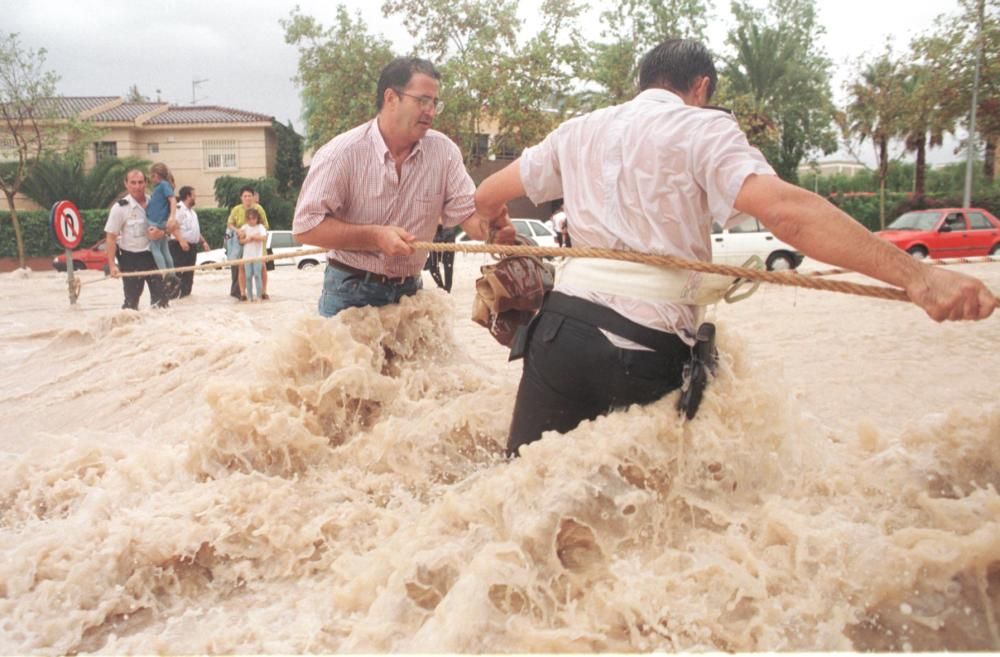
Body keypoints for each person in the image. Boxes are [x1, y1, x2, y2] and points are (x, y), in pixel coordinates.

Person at [474, 38, 997, 458]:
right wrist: (917, 276)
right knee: (640, 526)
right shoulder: (703, 127)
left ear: (643, 83)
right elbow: (786, 214)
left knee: (522, 494)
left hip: (559, 337)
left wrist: (500, 228)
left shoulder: (578, 130)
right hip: (642, 349)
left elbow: (486, 195)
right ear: (700, 87)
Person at [292, 56, 513, 317]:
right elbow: (305, 228)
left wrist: (492, 229)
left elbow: (469, 218)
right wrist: (374, 237)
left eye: (434, 103)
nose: (430, 111)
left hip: (411, 293)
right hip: (348, 292)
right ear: (391, 98)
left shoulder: (444, 152)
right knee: (345, 359)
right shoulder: (340, 154)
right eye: (422, 100)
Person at [105, 169, 169, 310]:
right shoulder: (119, 208)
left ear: (146, 183)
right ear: (126, 184)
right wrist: (112, 265)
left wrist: (162, 233)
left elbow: (168, 226)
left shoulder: (156, 202)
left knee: (162, 302)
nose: (137, 186)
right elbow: (110, 238)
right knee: (131, 304)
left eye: (140, 182)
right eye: (133, 183)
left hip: (153, 256)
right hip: (130, 259)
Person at [227, 186, 271, 300]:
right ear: (241, 197)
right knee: (241, 267)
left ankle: (263, 292)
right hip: (241, 242)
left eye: (249, 196)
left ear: (253, 197)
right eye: (245, 196)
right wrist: (239, 231)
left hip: (257, 243)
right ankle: (243, 293)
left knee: (262, 267)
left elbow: (265, 225)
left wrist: (256, 235)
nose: (247, 198)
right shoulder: (236, 209)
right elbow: (230, 224)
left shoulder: (259, 208)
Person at [168, 186, 210, 298]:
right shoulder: (178, 209)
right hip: (178, 246)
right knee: (177, 273)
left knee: (189, 275)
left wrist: (203, 242)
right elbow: (172, 227)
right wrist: (181, 241)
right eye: (194, 196)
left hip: (192, 247)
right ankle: (172, 299)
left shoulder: (193, 212)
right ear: (188, 196)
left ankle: (185, 299)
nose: (196, 198)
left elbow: (195, 231)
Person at [146, 163, 179, 284]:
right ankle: (172, 274)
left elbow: (173, 200)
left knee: (155, 248)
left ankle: (165, 274)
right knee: (165, 250)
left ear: (156, 176)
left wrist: (172, 217)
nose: (150, 179)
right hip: (159, 221)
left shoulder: (163, 185)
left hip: (156, 221)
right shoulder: (162, 186)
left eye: (151, 176)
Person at [239, 208, 267, 302]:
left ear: (257, 218)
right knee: (248, 276)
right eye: (249, 219)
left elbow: (264, 237)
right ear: (247, 219)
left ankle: (259, 296)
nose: (251, 221)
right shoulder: (244, 227)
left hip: (257, 256)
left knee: (257, 275)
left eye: (253, 218)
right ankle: (250, 297)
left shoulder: (260, 227)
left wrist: (254, 237)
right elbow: (241, 241)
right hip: (247, 256)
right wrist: (247, 239)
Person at [424, 223, 458, 292]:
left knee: (448, 265)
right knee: (433, 265)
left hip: (447, 233)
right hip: (434, 233)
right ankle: (441, 286)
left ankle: (447, 288)